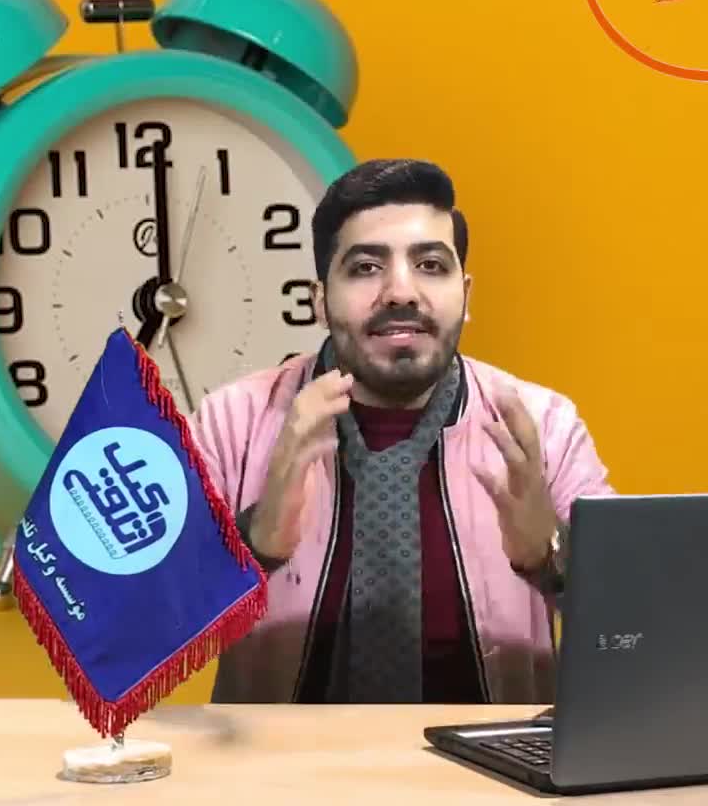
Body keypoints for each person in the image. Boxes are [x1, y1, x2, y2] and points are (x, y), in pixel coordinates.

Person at [188, 159, 615, 704]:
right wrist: (255, 545)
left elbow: (638, 630)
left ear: (466, 294)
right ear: (319, 299)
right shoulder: (233, 422)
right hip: (282, 760)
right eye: (366, 267)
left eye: (430, 265)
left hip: (493, 760)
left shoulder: (543, 426)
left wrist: (548, 558)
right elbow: (132, 628)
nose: (400, 293)